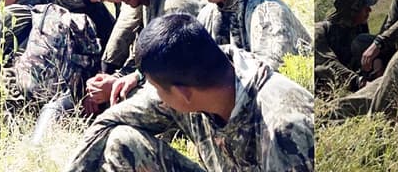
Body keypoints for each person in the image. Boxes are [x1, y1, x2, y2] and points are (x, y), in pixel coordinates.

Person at [64, 13, 314, 172]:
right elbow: (110, 120)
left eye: (157, 88)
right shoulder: (205, 76)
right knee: (122, 141)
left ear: (183, 93)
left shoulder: (284, 126)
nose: (154, 94)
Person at [84, 0, 204, 109]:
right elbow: (144, 59)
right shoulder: (146, 3)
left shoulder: (173, 5)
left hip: (196, 86)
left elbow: (178, 68)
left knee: (126, 99)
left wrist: (123, 84)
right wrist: (111, 80)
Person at [314, 0, 379, 91]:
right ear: (353, 11)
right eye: (365, 7)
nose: (369, 10)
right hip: (328, 91)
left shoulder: (359, 27)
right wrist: (359, 82)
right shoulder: (321, 31)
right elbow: (327, 65)